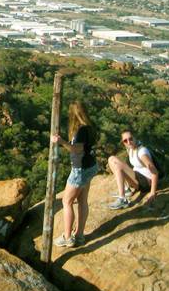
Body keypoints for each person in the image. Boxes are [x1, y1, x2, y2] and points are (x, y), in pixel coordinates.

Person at [51, 102, 98, 247]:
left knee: (67, 202)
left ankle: (67, 237)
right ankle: (79, 235)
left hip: (80, 169)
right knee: (82, 200)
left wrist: (61, 142)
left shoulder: (82, 130)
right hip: (90, 166)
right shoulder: (90, 127)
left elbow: (77, 149)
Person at [107, 129, 159, 209]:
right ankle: (127, 190)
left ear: (135, 138)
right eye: (125, 140)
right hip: (138, 178)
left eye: (130, 139)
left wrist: (152, 193)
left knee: (118, 166)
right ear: (123, 142)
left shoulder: (142, 152)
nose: (128, 142)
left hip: (146, 183)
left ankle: (122, 199)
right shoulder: (130, 149)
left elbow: (155, 172)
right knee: (111, 159)